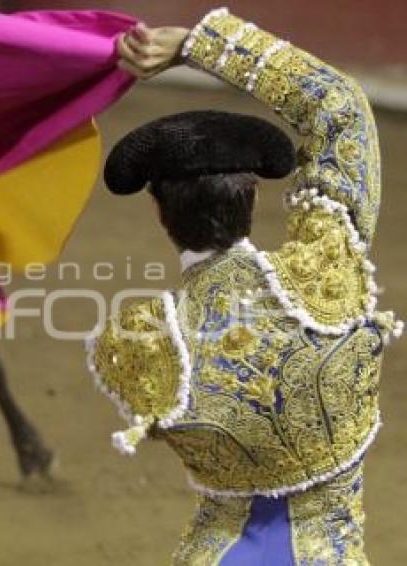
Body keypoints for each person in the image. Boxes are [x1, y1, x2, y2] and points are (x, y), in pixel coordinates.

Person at [89, 8, 402, 564]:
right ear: (252, 194)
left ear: (159, 209)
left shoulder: (140, 339)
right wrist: (199, 44)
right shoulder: (326, 269)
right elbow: (340, 106)